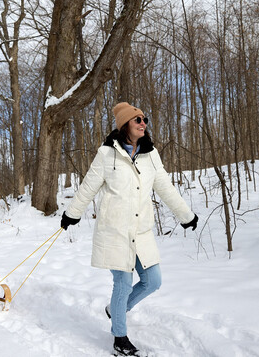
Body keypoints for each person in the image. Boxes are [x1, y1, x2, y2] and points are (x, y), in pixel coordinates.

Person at [60, 102, 198, 356]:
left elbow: (166, 188)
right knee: (122, 284)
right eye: (138, 120)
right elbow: (89, 186)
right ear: (125, 125)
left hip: (141, 231)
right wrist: (72, 214)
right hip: (114, 231)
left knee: (153, 281)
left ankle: (116, 310)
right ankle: (119, 337)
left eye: (144, 119)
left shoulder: (150, 155)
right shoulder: (106, 154)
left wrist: (185, 216)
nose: (143, 123)